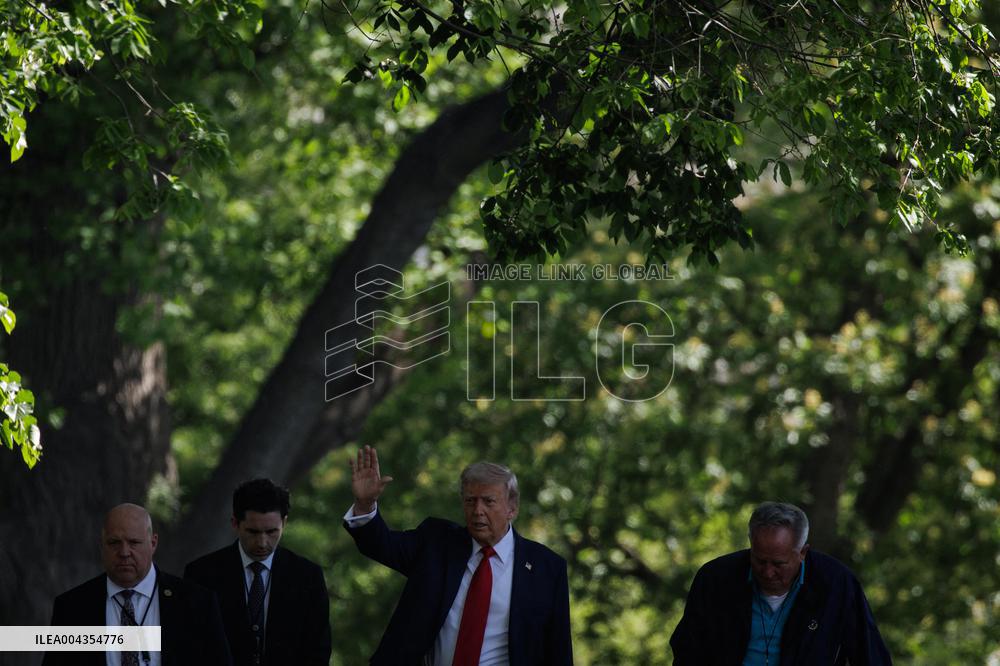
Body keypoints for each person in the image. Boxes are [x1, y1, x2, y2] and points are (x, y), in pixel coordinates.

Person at [344, 445, 573, 666]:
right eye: (470, 501)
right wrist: (365, 504)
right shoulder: (436, 543)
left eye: (488, 501)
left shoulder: (547, 568)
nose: (478, 510)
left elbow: (558, 651)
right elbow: (381, 545)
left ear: (512, 509)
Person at [670, 501, 892, 665]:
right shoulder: (715, 579)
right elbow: (688, 652)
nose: (768, 572)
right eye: (760, 561)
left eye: (778, 564)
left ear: (803, 552)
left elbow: (869, 655)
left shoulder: (836, 584)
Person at [43, 503, 232, 666]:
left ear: (153, 543)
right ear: (101, 545)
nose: (124, 552)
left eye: (134, 542)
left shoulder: (198, 603)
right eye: (114, 543)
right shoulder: (72, 607)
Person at [183, 478, 331, 666]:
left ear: (284, 523)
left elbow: (318, 650)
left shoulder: (307, 577)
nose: (262, 542)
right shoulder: (202, 574)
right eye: (253, 532)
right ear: (235, 523)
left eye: (271, 532)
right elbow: (189, 643)